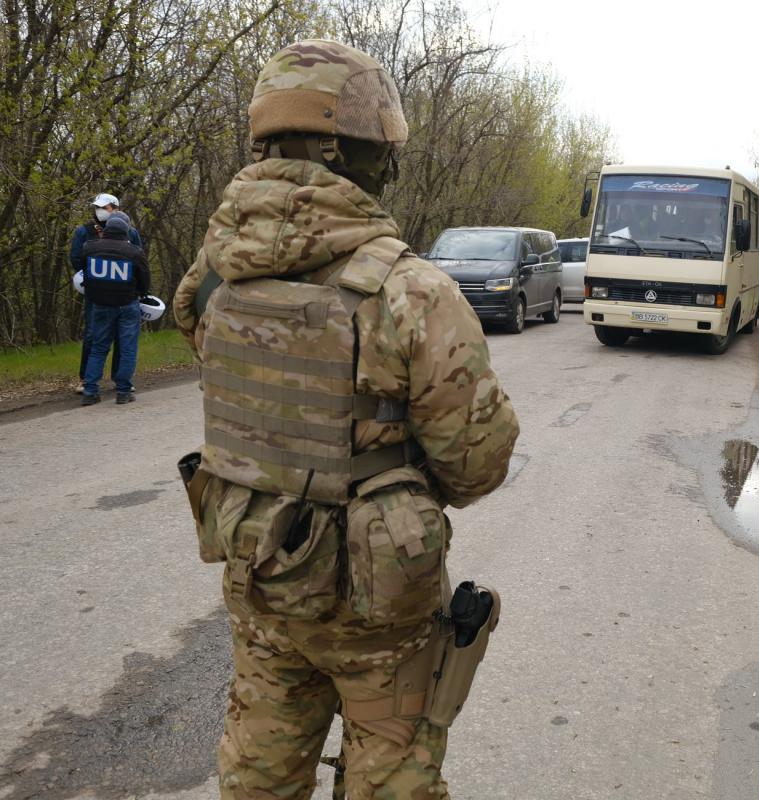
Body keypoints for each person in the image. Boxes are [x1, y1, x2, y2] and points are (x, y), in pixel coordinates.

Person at [173, 39, 519, 798]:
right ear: (355, 153)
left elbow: (231, 380)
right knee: (392, 779)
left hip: (261, 576)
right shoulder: (410, 291)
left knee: (257, 777)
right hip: (378, 612)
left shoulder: (212, 277)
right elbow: (479, 462)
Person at [71, 193, 142, 394]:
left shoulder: (131, 232)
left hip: (125, 294)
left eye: (104, 207)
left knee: (123, 337)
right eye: (97, 206)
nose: (99, 210)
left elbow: (139, 260)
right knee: (93, 335)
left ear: (116, 208)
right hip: (97, 294)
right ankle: (87, 380)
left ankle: (121, 380)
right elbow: (76, 260)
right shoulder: (83, 232)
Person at [80, 212, 150, 405]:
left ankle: (90, 391)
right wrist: (140, 294)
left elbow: (85, 275)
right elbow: (144, 282)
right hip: (127, 305)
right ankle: (123, 391)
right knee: (127, 349)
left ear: (106, 228)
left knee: (98, 348)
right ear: (126, 230)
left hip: (100, 305)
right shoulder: (134, 252)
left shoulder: (89, 248)